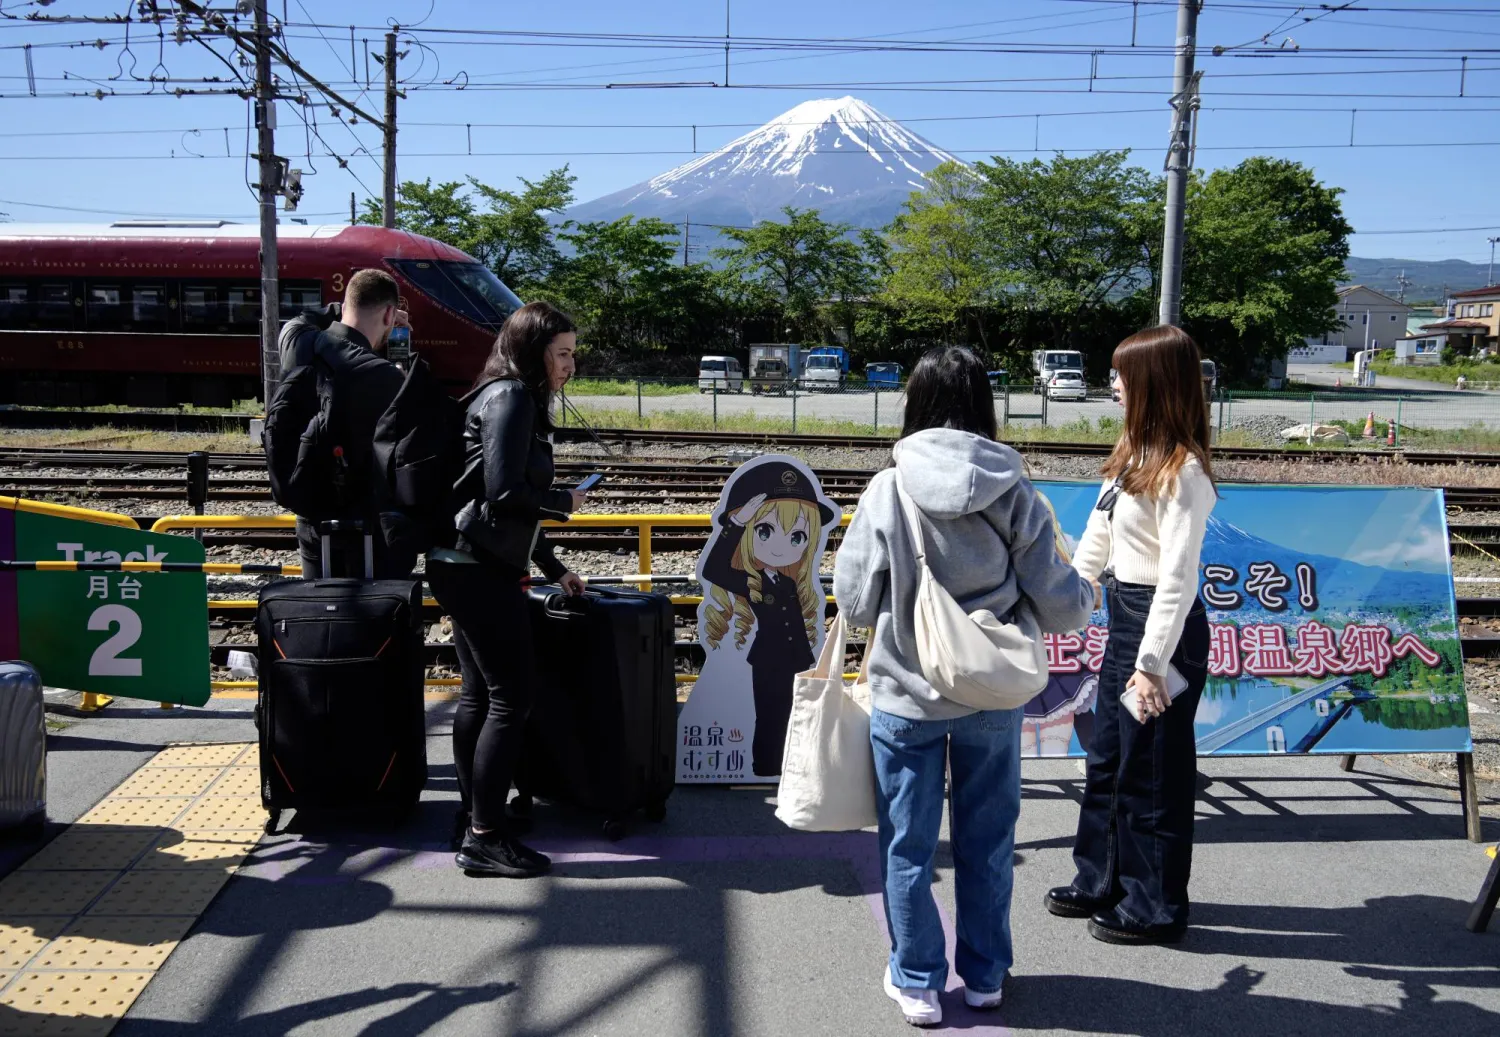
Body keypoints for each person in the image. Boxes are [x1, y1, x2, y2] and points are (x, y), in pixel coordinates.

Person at [834, 345, 1094, 1027]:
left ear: (914, 404)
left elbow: (856, 601)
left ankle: (917, 979)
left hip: (906, 693)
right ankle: (984, 975)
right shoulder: (1015, 488)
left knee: (907, 843)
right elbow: (1063, 604)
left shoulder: (888, 487)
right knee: (988, 839)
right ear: (985, 405)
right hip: (991, 693)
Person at [1046, 324, 1217, 946]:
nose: (1112, 384)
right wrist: (1063, 597)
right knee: (1109, 759)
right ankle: (1101, 880)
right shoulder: (1132, 451)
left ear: (1151, 383)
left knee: (1153, 773)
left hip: (1161, 632)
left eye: (1121, 375)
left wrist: (1150, 662)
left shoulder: (1184, 471)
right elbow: (1098, 538)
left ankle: (1157, 906)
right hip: (1125, 622)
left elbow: (1178, 578)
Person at [426, 301, 588, 879]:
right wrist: (563, 502)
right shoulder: (513, 397)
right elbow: (502, 494)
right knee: (510, 699)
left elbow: (490, 503)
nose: (571, 364)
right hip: (477, 571)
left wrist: (552, 566)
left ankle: (476, 816)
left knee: (478, 695)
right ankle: (485, 838)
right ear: (535, 349)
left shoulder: (492, 392)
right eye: (563, 353)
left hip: (461, 560)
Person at [700, 461, 836, 776]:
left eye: (797, 537)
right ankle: (764, 766)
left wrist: (808, 658)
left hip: (797, 658)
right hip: (767, 659)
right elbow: (714, 570)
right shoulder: (753, 579)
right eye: (765, 531)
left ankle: (791, 766)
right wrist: (736, 523)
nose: (781, 547)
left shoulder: (788, 582)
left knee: (794, 711)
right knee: (769, 713)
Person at [276, 268, 411, 580]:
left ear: (346, 305)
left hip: (309, 518)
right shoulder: (386, 377)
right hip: (367, 529)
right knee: (373, 623)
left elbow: (305, 318)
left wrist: (344, 306)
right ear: (390, 314)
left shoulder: (296, 341)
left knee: (320, 610)